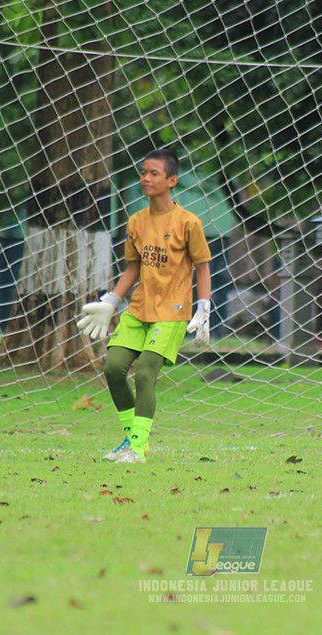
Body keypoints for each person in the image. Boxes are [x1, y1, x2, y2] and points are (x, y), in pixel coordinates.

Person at [77, 149, 212, 464]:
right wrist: (111, 301)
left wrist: (203, 308)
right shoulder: (136, 221)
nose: (146, 178)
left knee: (145, 375)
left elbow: (203, 267)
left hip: (173, 312)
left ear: (171, 181)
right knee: (112, 370)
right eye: (143, 172)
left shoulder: (189, 223)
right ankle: (132, 440)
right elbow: (133, 268)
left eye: (154, 173)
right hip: (138, 310)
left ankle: (136, 448)